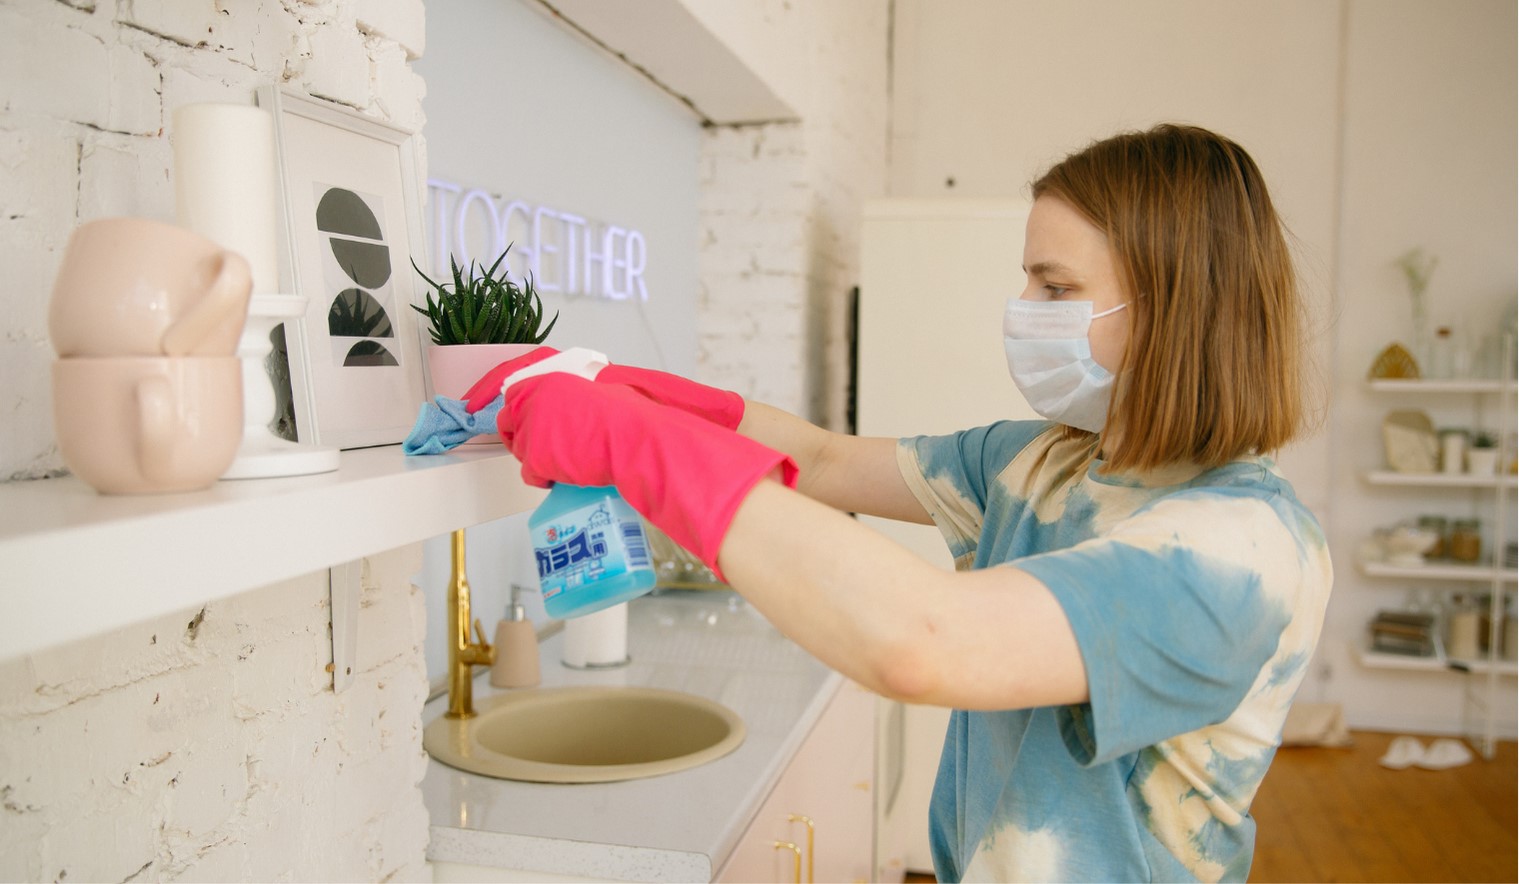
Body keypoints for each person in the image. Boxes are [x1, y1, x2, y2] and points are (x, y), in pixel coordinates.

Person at [460, 123, 1332, 882]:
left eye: (1055, 288)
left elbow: (922, 642)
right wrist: (628, 389)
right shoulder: (1040, 462)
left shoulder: (1239, 548)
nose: (1021, 310)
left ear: (1177, 307)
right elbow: (820, 456)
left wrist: (633, 444)